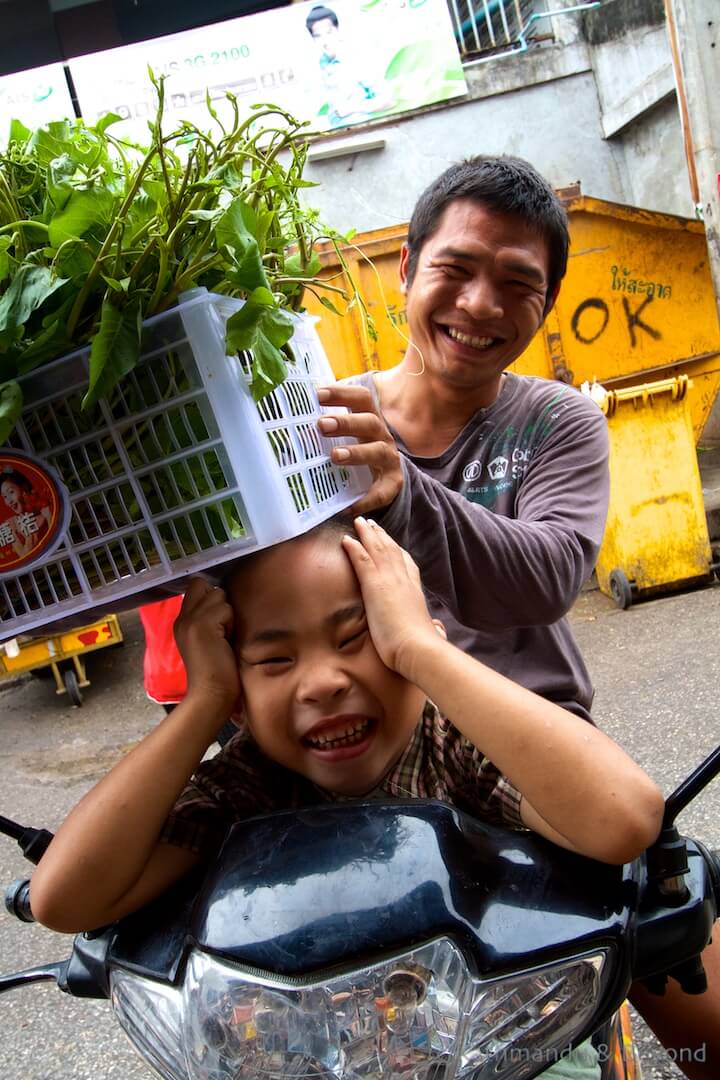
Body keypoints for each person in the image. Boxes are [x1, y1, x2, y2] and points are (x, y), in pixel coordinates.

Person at [313, 156, 718, 1078]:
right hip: (365, 774)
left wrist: (402, 492)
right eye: (456, 270)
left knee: (679, 958)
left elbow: (545, 576)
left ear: (545, 305)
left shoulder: (556, 424)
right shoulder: (324, 424)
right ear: (408, 271)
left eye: (518, 284)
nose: (482, 304)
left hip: (538, 769)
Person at [29, 517, 662, 944]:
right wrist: (204, 705)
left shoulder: (458, 743)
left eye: (357, 638)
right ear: (241, 703)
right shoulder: (248, 786)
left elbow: (625, 819)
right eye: (275, 660)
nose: (321, 682)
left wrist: (420, 648)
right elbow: (62, 901)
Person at [305, 4, 393, 129]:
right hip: (335, 138)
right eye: (318, 36)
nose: (325, 40)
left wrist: (353, 108)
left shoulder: (355, 60)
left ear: (337, 30)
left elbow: (387, 100)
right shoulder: (319, 67)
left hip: (366, 131)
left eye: (329, 32)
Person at [0, 468, 52, 560]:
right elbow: (24, 556)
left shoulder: (46, 510)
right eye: (4, 496)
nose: (9, 501)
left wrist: (48, 517)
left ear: (24, 488)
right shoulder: (10, 524)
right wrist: (28, 533)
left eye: (11, 492)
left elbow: (56, 538)